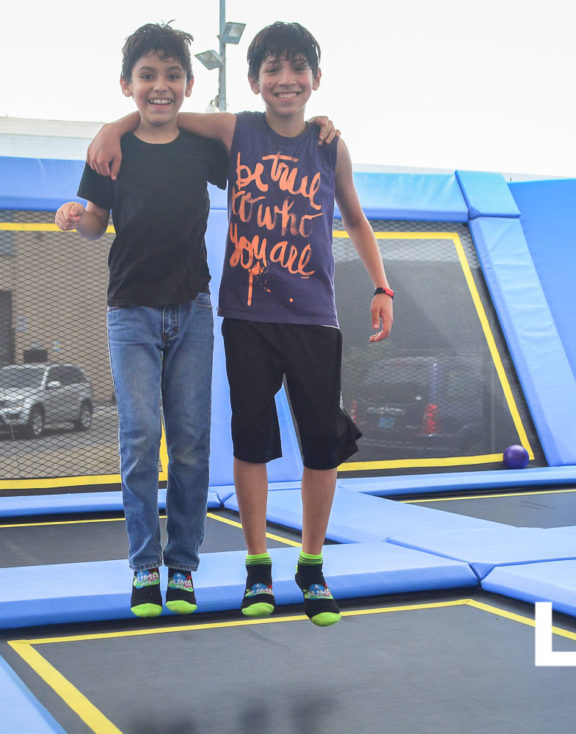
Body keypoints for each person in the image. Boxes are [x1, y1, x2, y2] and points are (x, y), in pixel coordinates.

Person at [88, 21, 393, 627]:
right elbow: (162, 115)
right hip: (245, 315)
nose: (285, 80)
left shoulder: (330, 144)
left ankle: (310, 563)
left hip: (313, 316)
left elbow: (356, 219)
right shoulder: (235, 130)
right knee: (245, 442)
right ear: (253, 81)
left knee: (320, 446)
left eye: (297, 69)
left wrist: (382, 285)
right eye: (272, 71)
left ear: (315, 79)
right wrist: (111, 124)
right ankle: (257, 566)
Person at [54, 22, 228, 618]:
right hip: (131, 313)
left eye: (172, 75)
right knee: (137, 441)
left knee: (192, 444)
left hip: (193, 312)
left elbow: (252, 144)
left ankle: (182, 567)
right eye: (148, 76)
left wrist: (321, 133)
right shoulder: (109, 152)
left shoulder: (201, 149)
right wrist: (75, 215)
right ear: (127, 85)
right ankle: (144, 566)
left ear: (188, 82)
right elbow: (98, 223)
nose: (161, 86)